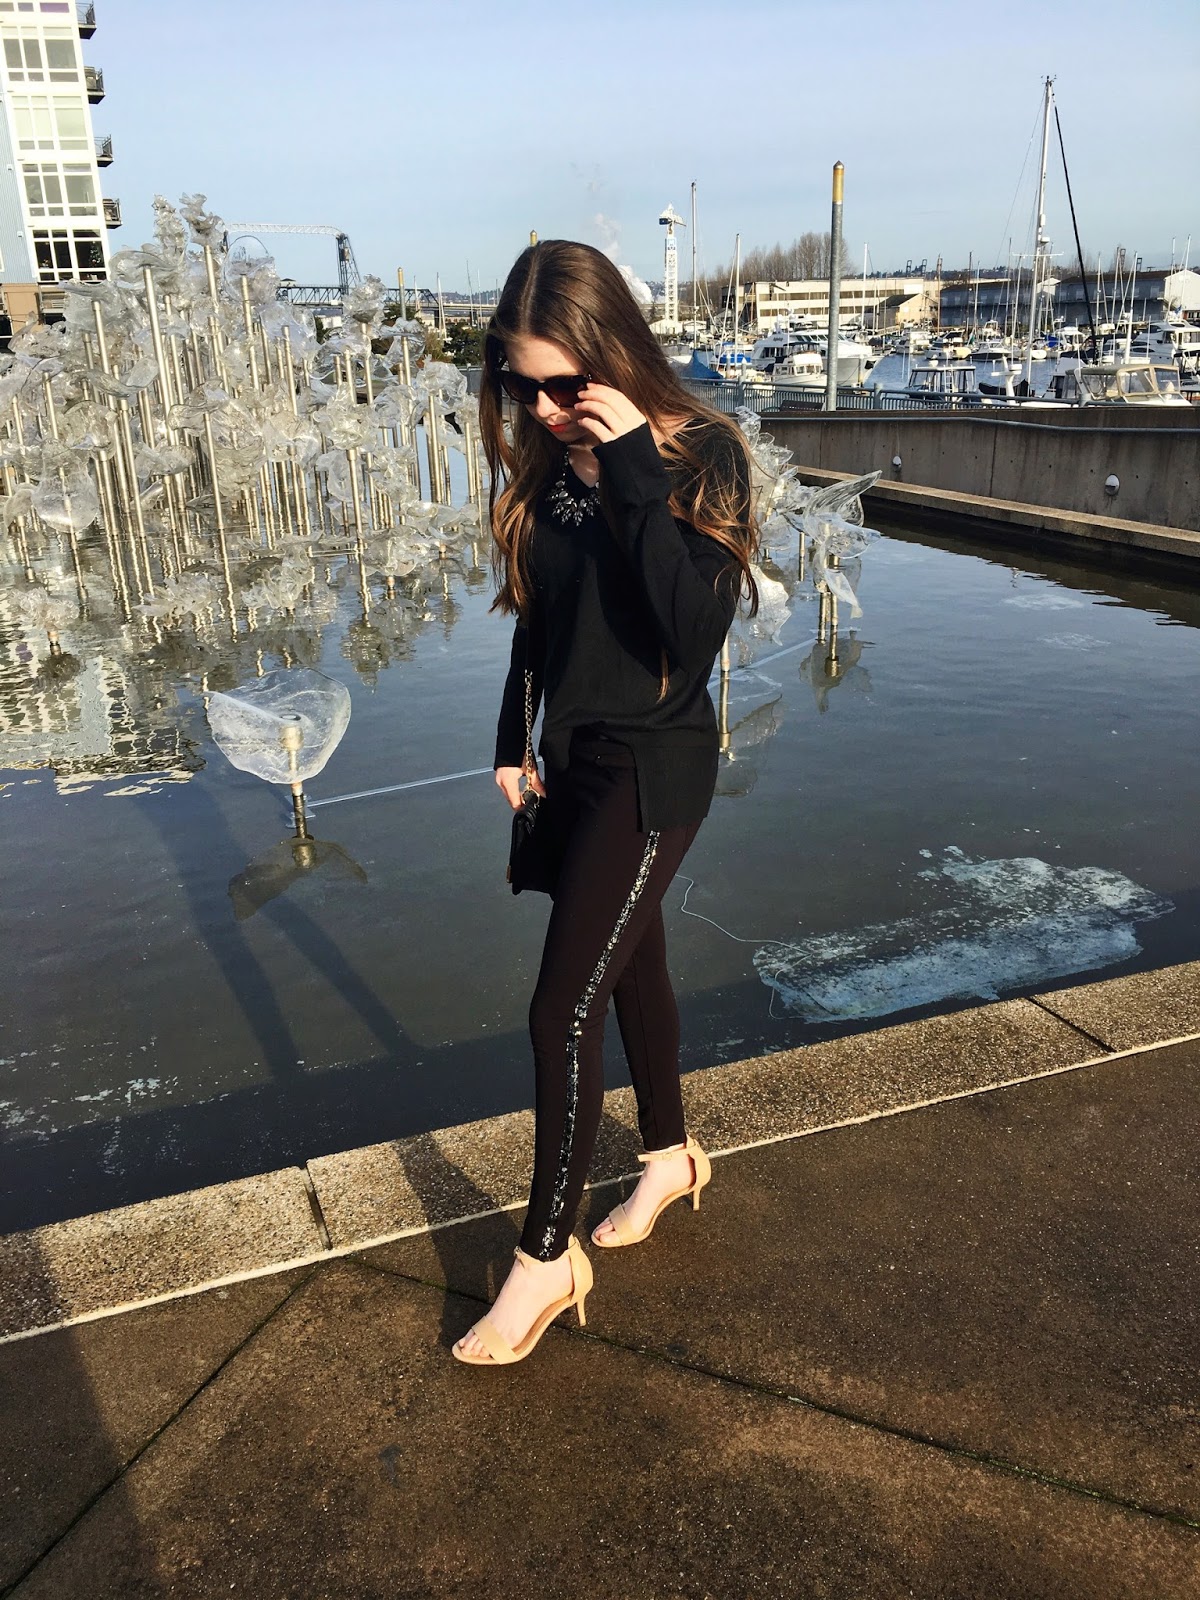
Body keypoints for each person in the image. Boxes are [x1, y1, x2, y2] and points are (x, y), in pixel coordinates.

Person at [453, 239, 759, 1366]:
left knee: (559, 1011)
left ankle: (546, 1259)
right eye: (520, 386)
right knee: (631, 967)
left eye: (562, 384)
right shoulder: (547, 471)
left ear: (613, 351)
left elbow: (691, 629)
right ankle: (670, 1157)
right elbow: (538, 621)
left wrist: (629, 461)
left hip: (655, 768)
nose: (540, 409)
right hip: (573, 759)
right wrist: (511, 738)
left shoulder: (704, 456)